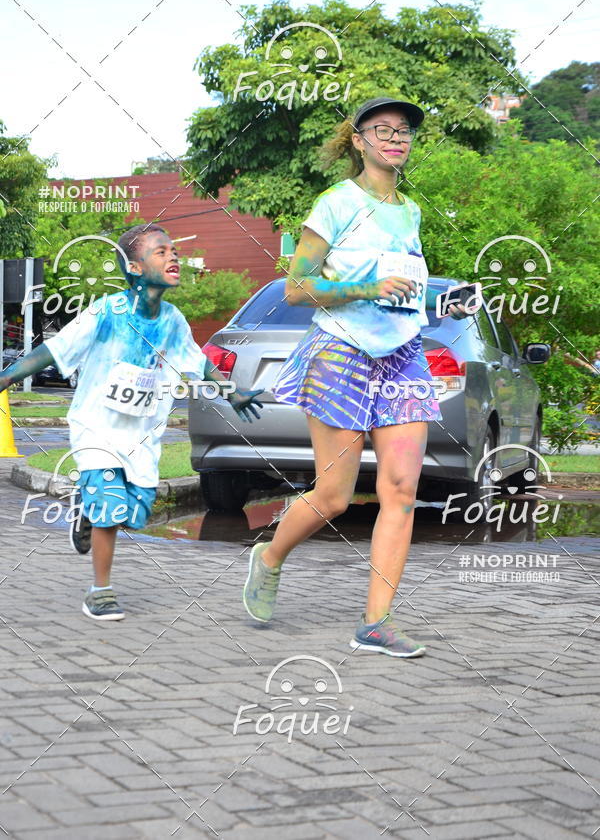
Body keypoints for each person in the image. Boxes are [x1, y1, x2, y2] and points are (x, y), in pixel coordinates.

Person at [243, 97, 469, 658]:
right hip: (341, 351)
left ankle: (376, 623)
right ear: (359, 140)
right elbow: (297, 287)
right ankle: (270, 556)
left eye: (404, 131)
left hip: (403, 354)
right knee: (335, 496)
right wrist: (365, 289)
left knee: (401, 490)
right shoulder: (336, 203)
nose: (396, 138)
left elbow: (404, 284)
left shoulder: (410, 212)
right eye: (383, 130)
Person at [0, 224, 263, 621]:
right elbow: (54, 350)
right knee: (109, 505)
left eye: (174, 250)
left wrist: (232, 391)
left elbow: (197, 361)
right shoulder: (107, 312)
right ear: (136, 268)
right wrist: (6, 377)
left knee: (136, 514)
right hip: (96, 427)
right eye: (161, 252)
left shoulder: (173, 320)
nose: (173, 256)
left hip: (141, 435)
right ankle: (100, 591)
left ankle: (86, 510)